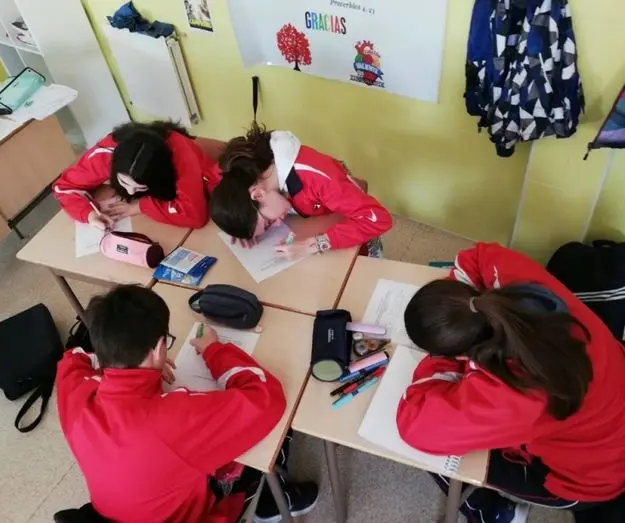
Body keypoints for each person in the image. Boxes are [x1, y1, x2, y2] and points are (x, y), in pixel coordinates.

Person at [397, 243, 625, 523]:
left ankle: (492, 512)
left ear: (461, 353)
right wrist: (453, 311)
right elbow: (476, 257)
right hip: (609, 403)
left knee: (437, 454)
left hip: (589, 479)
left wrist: (440, 361)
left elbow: (416, 426)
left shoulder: (511, 392)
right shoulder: (511, 282)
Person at [56, 284, 318, 523]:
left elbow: (72, 359)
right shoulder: (172, 420)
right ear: (159, 348)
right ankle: (270, 503)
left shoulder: (77, 398)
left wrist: (132, 368)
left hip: (119, 516)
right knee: (277, 434)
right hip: (195, 515)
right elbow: (266, 398)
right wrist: (214, 350)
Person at [209, 123, 393, 258]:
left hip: (353, 234)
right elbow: (213, 181)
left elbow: (378, 219)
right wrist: (241, 225)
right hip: (313, 221)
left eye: (268, 223)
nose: (277, 225)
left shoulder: (317, 178)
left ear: (258, 194)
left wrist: (314, 245)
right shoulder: (238, 172)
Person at [53, 121, 222, 230]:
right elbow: (63, 188)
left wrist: (140, 207)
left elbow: (195, 216)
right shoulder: (105, 155)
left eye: (139, 187)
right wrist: (90, 215)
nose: (131, 192)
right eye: (124, 182)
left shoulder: (180, 157)